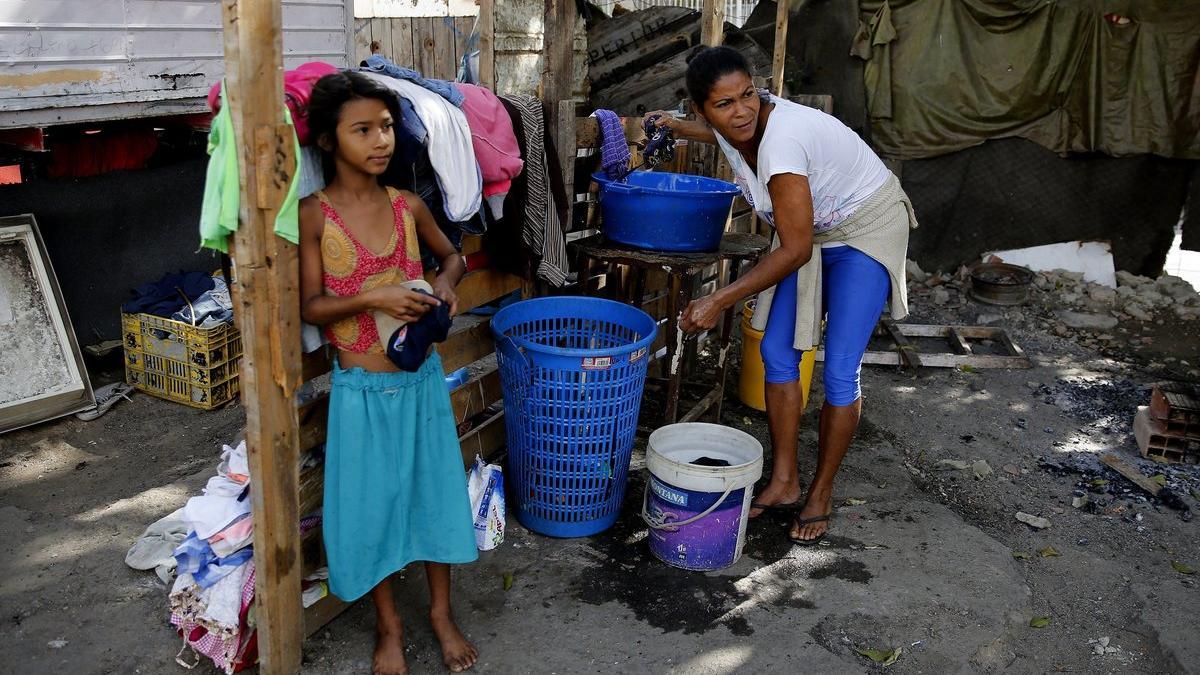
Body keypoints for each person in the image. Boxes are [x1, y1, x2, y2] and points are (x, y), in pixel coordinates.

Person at [646, 46, 915, 546]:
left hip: (865, 225)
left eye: (748, 95)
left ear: (759, 89)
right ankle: (785, 479)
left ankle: (821, 491)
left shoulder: (782, 142)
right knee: (776, 351)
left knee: (838, 369)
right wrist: (680, 127)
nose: (741, 110)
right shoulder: (736, 130)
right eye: (724, 104)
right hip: (812, 230)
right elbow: (726, 136)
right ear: (703, 109)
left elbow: (791, 251)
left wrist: (718, 299)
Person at [299, 71, 478, 674]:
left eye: (385, 127)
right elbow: (311, 307)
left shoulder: (408, 205)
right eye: (363, 130)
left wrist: (445, 286)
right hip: (361, 393)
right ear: (327, 140)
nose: (381, 141)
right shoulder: (313, 215)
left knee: (433, 496)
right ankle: (389, 624)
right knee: (373, 508)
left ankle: (441, 613)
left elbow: (454, 255)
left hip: (421, 383)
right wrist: (373, 297)